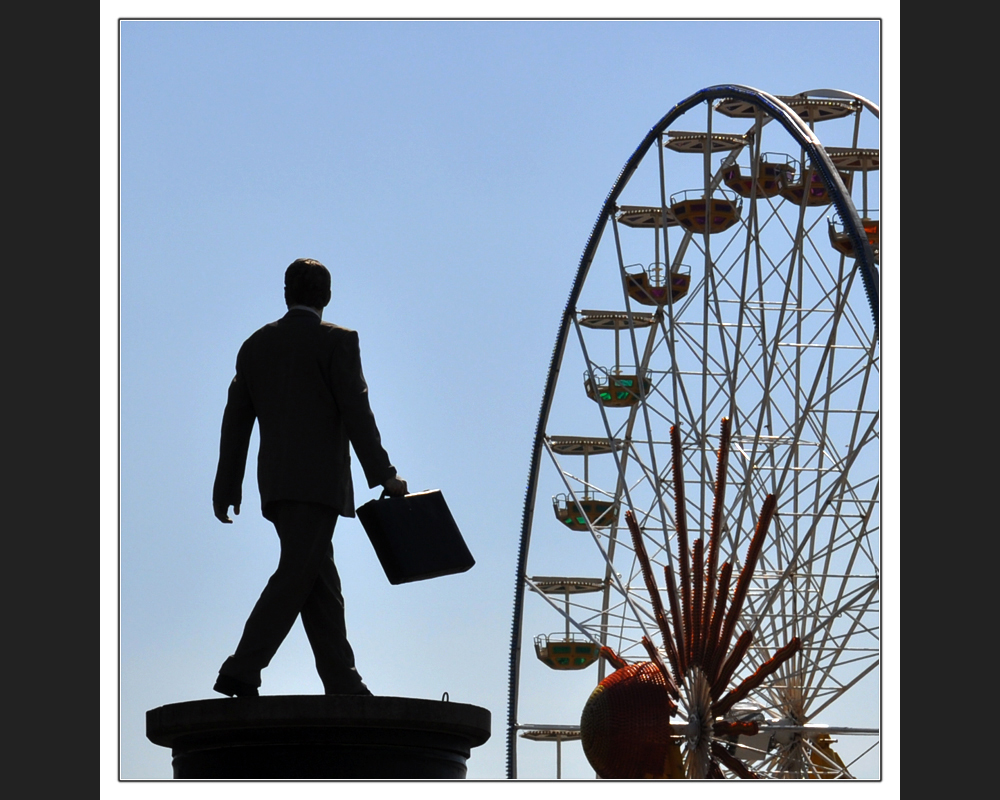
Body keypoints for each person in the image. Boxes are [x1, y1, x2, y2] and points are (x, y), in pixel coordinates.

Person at [211, 258, 407, 698]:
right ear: (328, 295)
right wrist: (384, 476)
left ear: (287, 293)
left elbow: (235, 420)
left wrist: (227, 484)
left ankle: (342, 679)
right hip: (318, 485)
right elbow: (357, 411)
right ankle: (241, 668)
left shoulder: (255, 345)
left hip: (276, 485)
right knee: (297, 574)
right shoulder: (337, 341)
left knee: (318, 581)